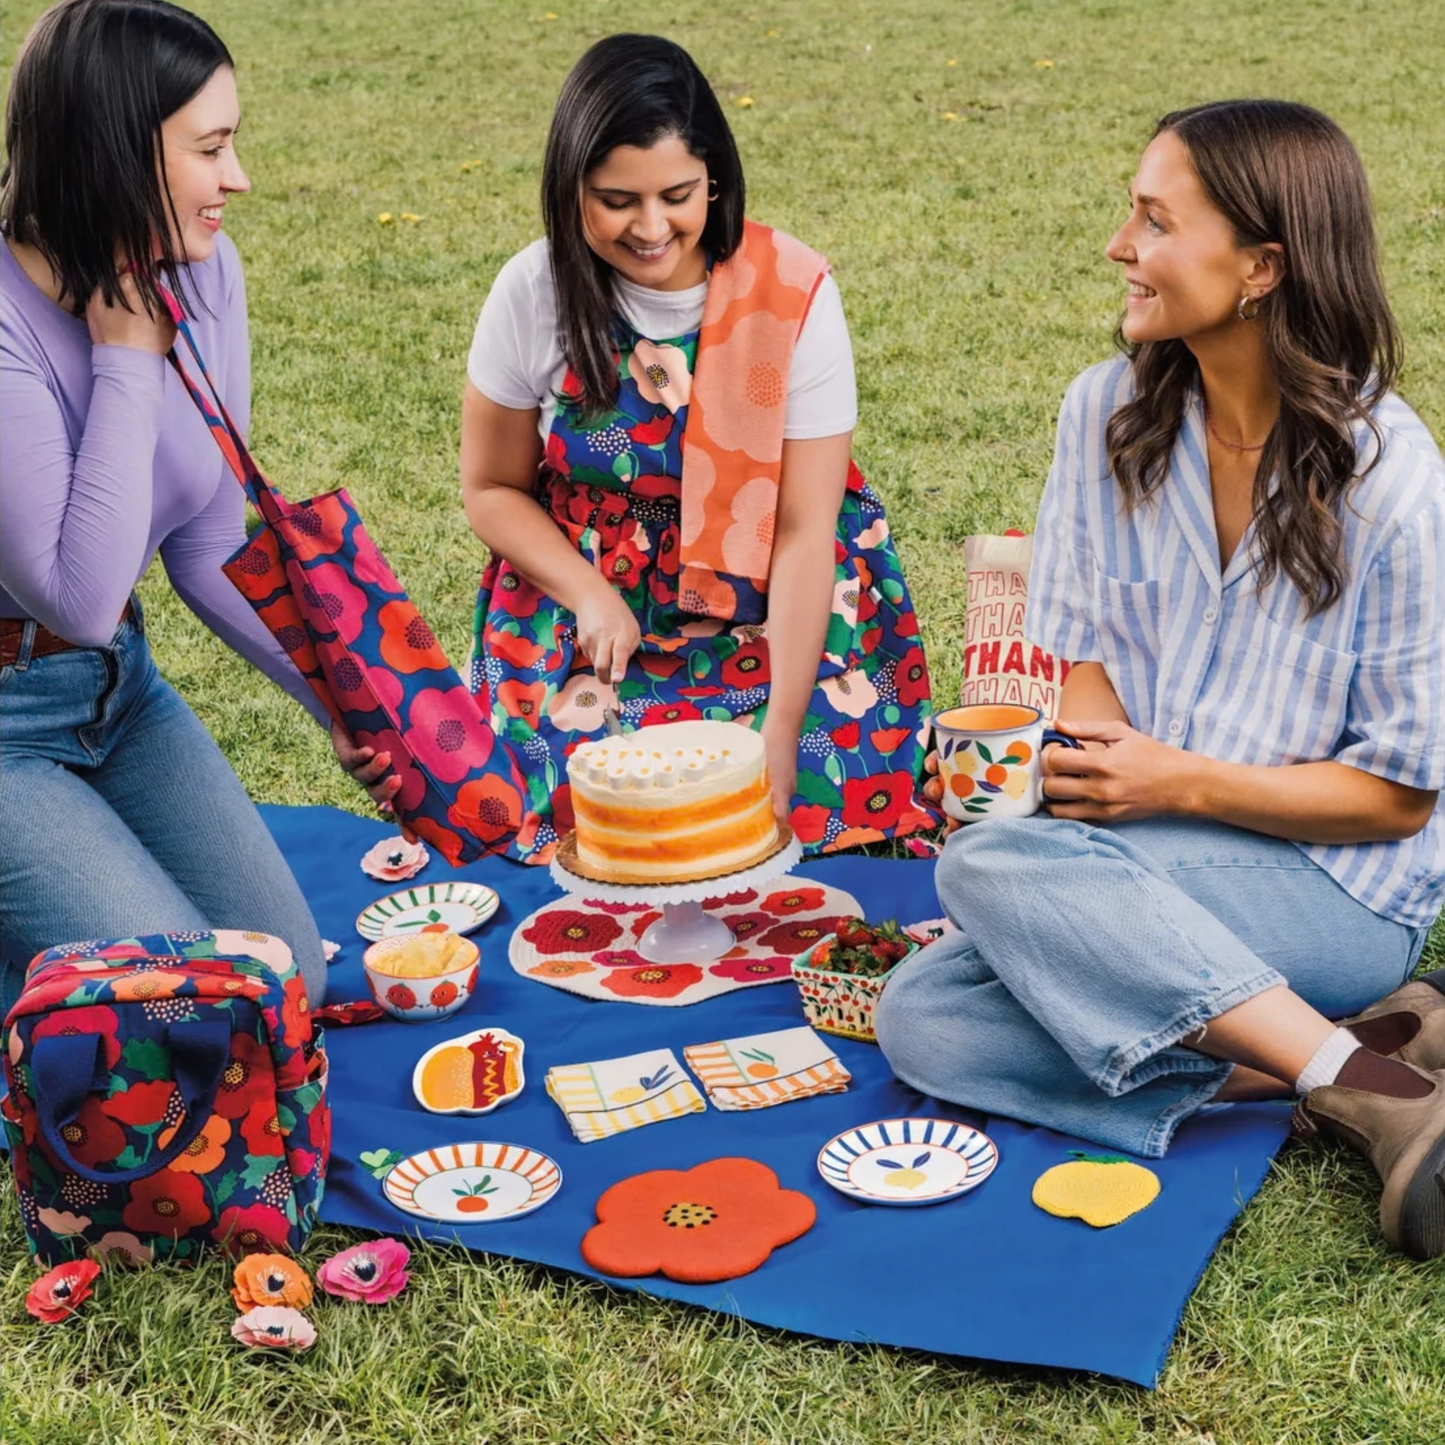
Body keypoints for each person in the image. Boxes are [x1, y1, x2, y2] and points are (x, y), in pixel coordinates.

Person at [876, 100, 1445, 1259]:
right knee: (922, 1013)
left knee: (990, 856)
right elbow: (1081, 658)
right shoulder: (1104, 416)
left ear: (1259, 268)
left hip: (1337, 888)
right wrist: (1086, 772)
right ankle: (1352, 1060)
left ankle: (1360, 1069)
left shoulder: (1391, 483)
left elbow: (1396, 800)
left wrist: (1170, 787)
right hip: (1145, 848)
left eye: (1151, 220)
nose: (1116, 247)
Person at [453, 33, 936, 864]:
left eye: (676, 194)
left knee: (797, 791)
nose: (650, 228)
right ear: (570, 189)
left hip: (774, 599)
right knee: (584, 815)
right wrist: (590, 596)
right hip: (591, 604)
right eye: (616, 200)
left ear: (714, 175)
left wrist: (782, 729)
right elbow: (491, 488)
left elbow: (801, 529)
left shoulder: (794, 292)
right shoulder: (532, 291)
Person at [0, 0, 331, 1010]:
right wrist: (125, 359)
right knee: (195, 1012)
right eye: (211, 148)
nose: (238, 179)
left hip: (116, 694)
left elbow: (210, 542)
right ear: (113, 153)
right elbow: (79, 597)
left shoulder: (203, 267)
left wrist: (350, 716)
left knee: (290, 981)